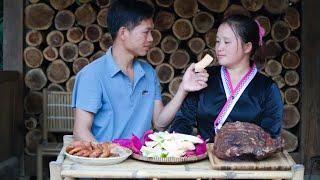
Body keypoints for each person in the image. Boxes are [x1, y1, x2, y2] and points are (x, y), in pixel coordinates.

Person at [71, 0, 209, 142]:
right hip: (106, 161)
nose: (151, 38)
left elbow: (159, 123)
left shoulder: (148, 72)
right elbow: (80, 131)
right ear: (123, 32)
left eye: (151, 32)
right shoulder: (92, 75)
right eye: (146, 32)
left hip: (142, 161)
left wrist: (183, 90)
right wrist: (110, 155)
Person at [169, 15, 283, 141]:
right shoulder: (204, 77)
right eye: (218, 41)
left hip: (249, 159)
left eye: (227, 42)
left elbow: (270, 135)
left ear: (247, 47)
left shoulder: (267, 88)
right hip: (207, 157)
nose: (219, 48)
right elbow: (184, 118)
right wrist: (176, 141)